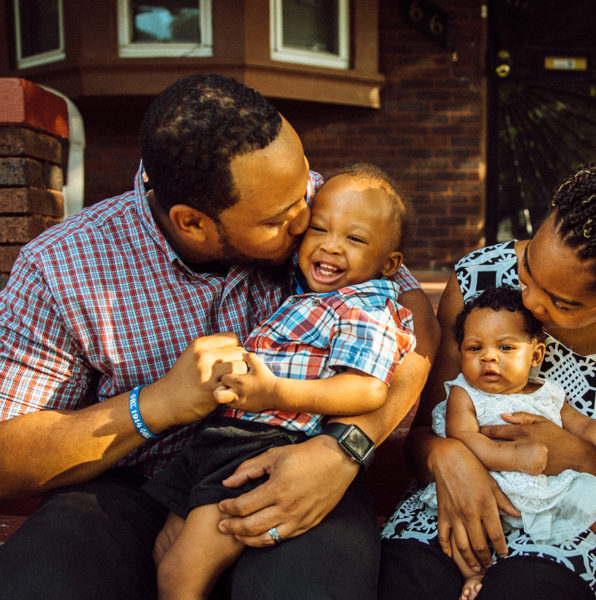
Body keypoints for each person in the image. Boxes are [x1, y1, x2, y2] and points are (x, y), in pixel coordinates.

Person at [0, 74, 439, 600]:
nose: (306, 221)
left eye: (305, 193)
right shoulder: (60, 266)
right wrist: (157, 404)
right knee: (42, 579)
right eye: (282, 219)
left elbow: (417, 321)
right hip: (133, 485)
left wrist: (347, 445)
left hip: (294, 458)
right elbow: (8, 456)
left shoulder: (321, 205)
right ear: (193, 223)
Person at [379, 92, 596, 600]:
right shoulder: (480, 277)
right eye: (528, 270)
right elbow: (423, 435)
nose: (529, 301)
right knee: (408, 583)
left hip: (581, 528)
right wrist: (448, 459)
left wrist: (579, 458)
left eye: (561, 302)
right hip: (465, 500)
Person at [145, 162, 417, 599]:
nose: (330, 247)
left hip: (261, 447)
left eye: (354, 239)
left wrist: (275, 391)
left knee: (180, 573)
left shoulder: (365, 309)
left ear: (390, 263)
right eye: (320, 230)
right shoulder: (313, 295)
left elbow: (367, 389)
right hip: (218, 440)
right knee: (165, 550)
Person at [393, 285, 596, 600]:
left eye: (506, 348)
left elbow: (586, 425)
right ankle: (473, 574)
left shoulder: (546, 393)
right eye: (474, 348)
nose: (489, 357)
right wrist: (512, 458)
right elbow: (463, 437)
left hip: (544, 488)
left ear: (535, 354)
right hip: (486, 486)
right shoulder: (464, 393)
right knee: (459, 524)